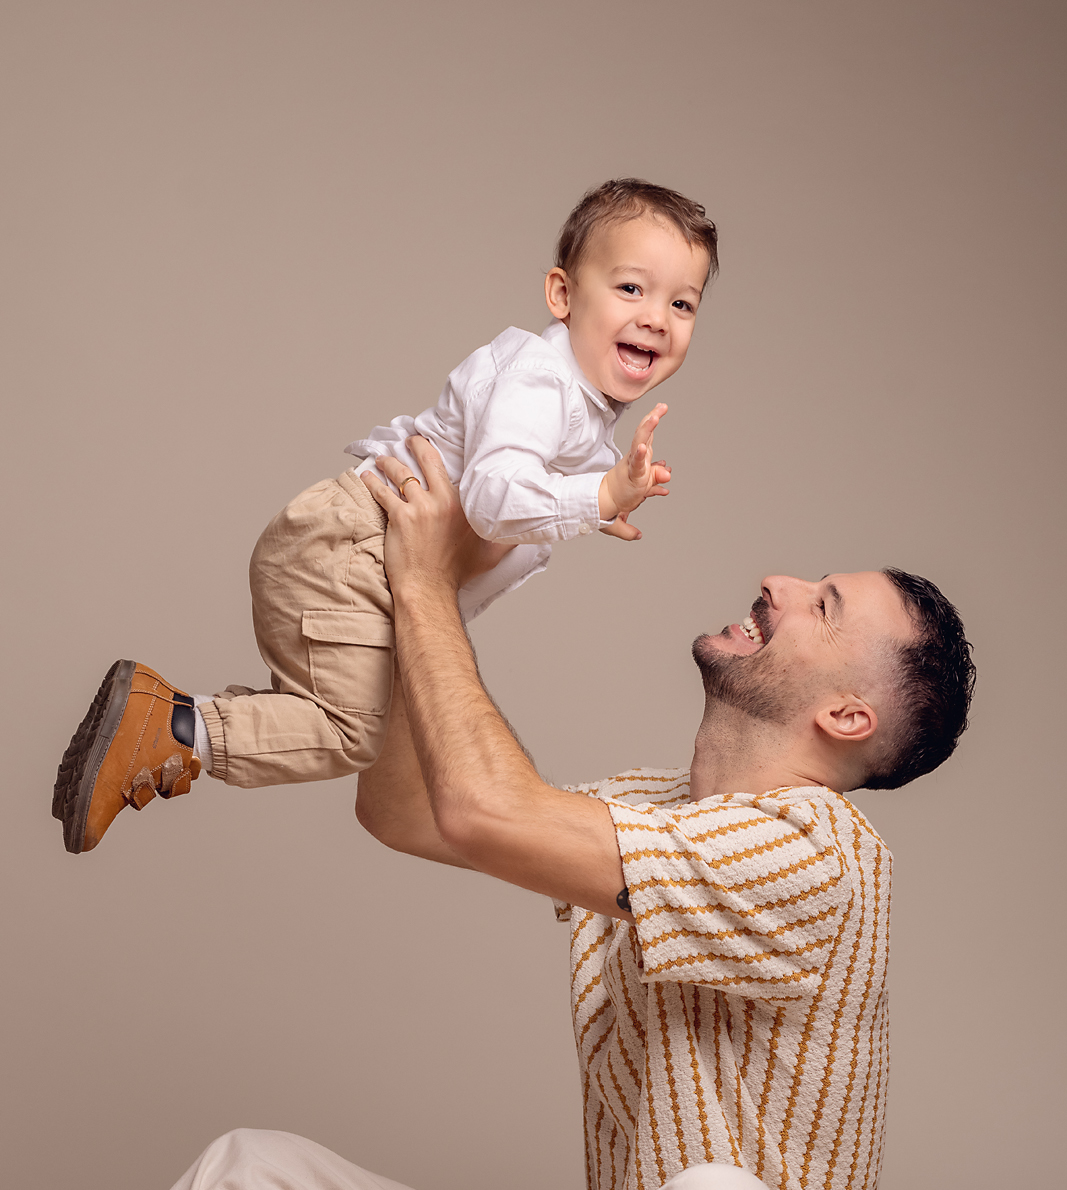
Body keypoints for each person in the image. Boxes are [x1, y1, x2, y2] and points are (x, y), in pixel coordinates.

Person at [0, 440, 975, 1190]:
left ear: (848, 712)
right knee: (258, 1178)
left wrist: (423, 586)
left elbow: (480, 801)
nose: (775, 582)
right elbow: (414, 808)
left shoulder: (822, 852)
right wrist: (425, 585)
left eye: (819, 604)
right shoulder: (642, 812)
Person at [52, 178, 717, 855]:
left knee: (340, 722)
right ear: (562, 295)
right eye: (631, 289)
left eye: (681, 302)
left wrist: (594, 499)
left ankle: (169, 730)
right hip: (356, 548)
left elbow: (519, 474)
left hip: (360, 552)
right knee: (348, 731)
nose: (657, 317)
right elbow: (491, 499)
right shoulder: (539, 381)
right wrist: (594, 499)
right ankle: (170, 726)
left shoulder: (571, 400)